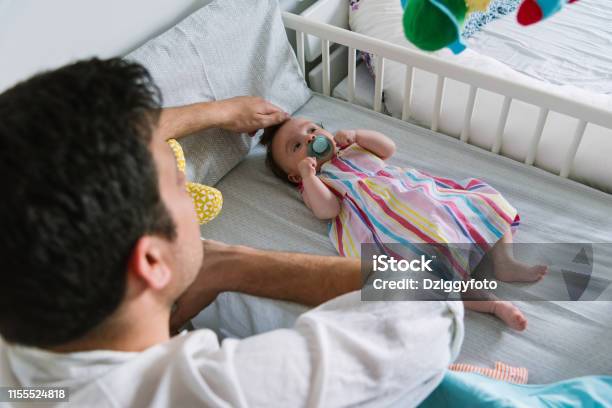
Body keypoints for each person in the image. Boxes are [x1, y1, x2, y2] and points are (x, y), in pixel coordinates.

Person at [0, 58, 462, 407]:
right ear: (151, 264)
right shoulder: (222, 390)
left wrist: (218, 112)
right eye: (181, 184)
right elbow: (432, 292)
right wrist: (234, 263)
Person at [259, 117, 549, 331]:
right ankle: (492, 303)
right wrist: (310, 177)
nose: (310, 139)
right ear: (294, 176)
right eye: (296, 146)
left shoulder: (351, 149)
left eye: (312, 130)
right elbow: (328, 210)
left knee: (476, 204)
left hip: (420, 196)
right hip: (387, 225)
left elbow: (388, 149)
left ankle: (504, 262)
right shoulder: (315, 183)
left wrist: (359, 134)